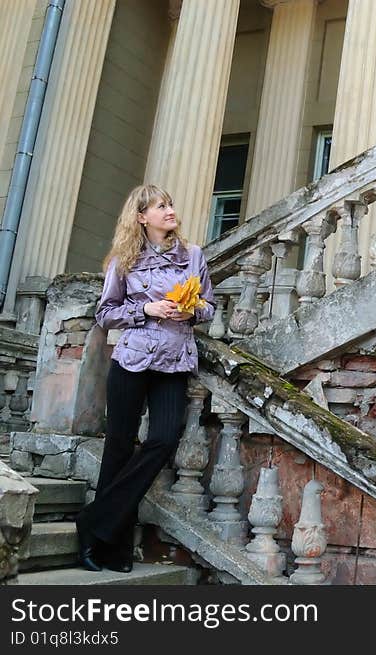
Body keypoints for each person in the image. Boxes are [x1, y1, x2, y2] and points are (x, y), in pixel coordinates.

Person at [75, 184, 215, 572]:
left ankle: (92, 523)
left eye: (170, 203)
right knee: (118, 448)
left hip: (173, 361)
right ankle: (111, 548)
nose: (170, 210)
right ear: (142, 217)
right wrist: (147, 309)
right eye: (161, 206)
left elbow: (210, 307)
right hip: (133, 360)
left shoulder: (193, 255)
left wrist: (192, 312)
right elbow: (105, 314)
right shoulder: (124, 260)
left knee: (164, 439)